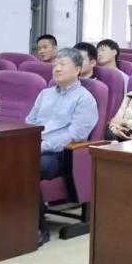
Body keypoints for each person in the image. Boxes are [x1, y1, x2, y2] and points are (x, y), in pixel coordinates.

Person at [27, 48, 99, 244]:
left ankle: (39, 228)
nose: (57, 69)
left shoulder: (84, 99)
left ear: (77, 70)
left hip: (61, 154)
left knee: (29, 167)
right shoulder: (45, 94)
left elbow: (75, 136)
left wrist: (41, 146)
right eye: (55, 65)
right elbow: (30, 121)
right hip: (35, 145)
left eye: (62, 65)